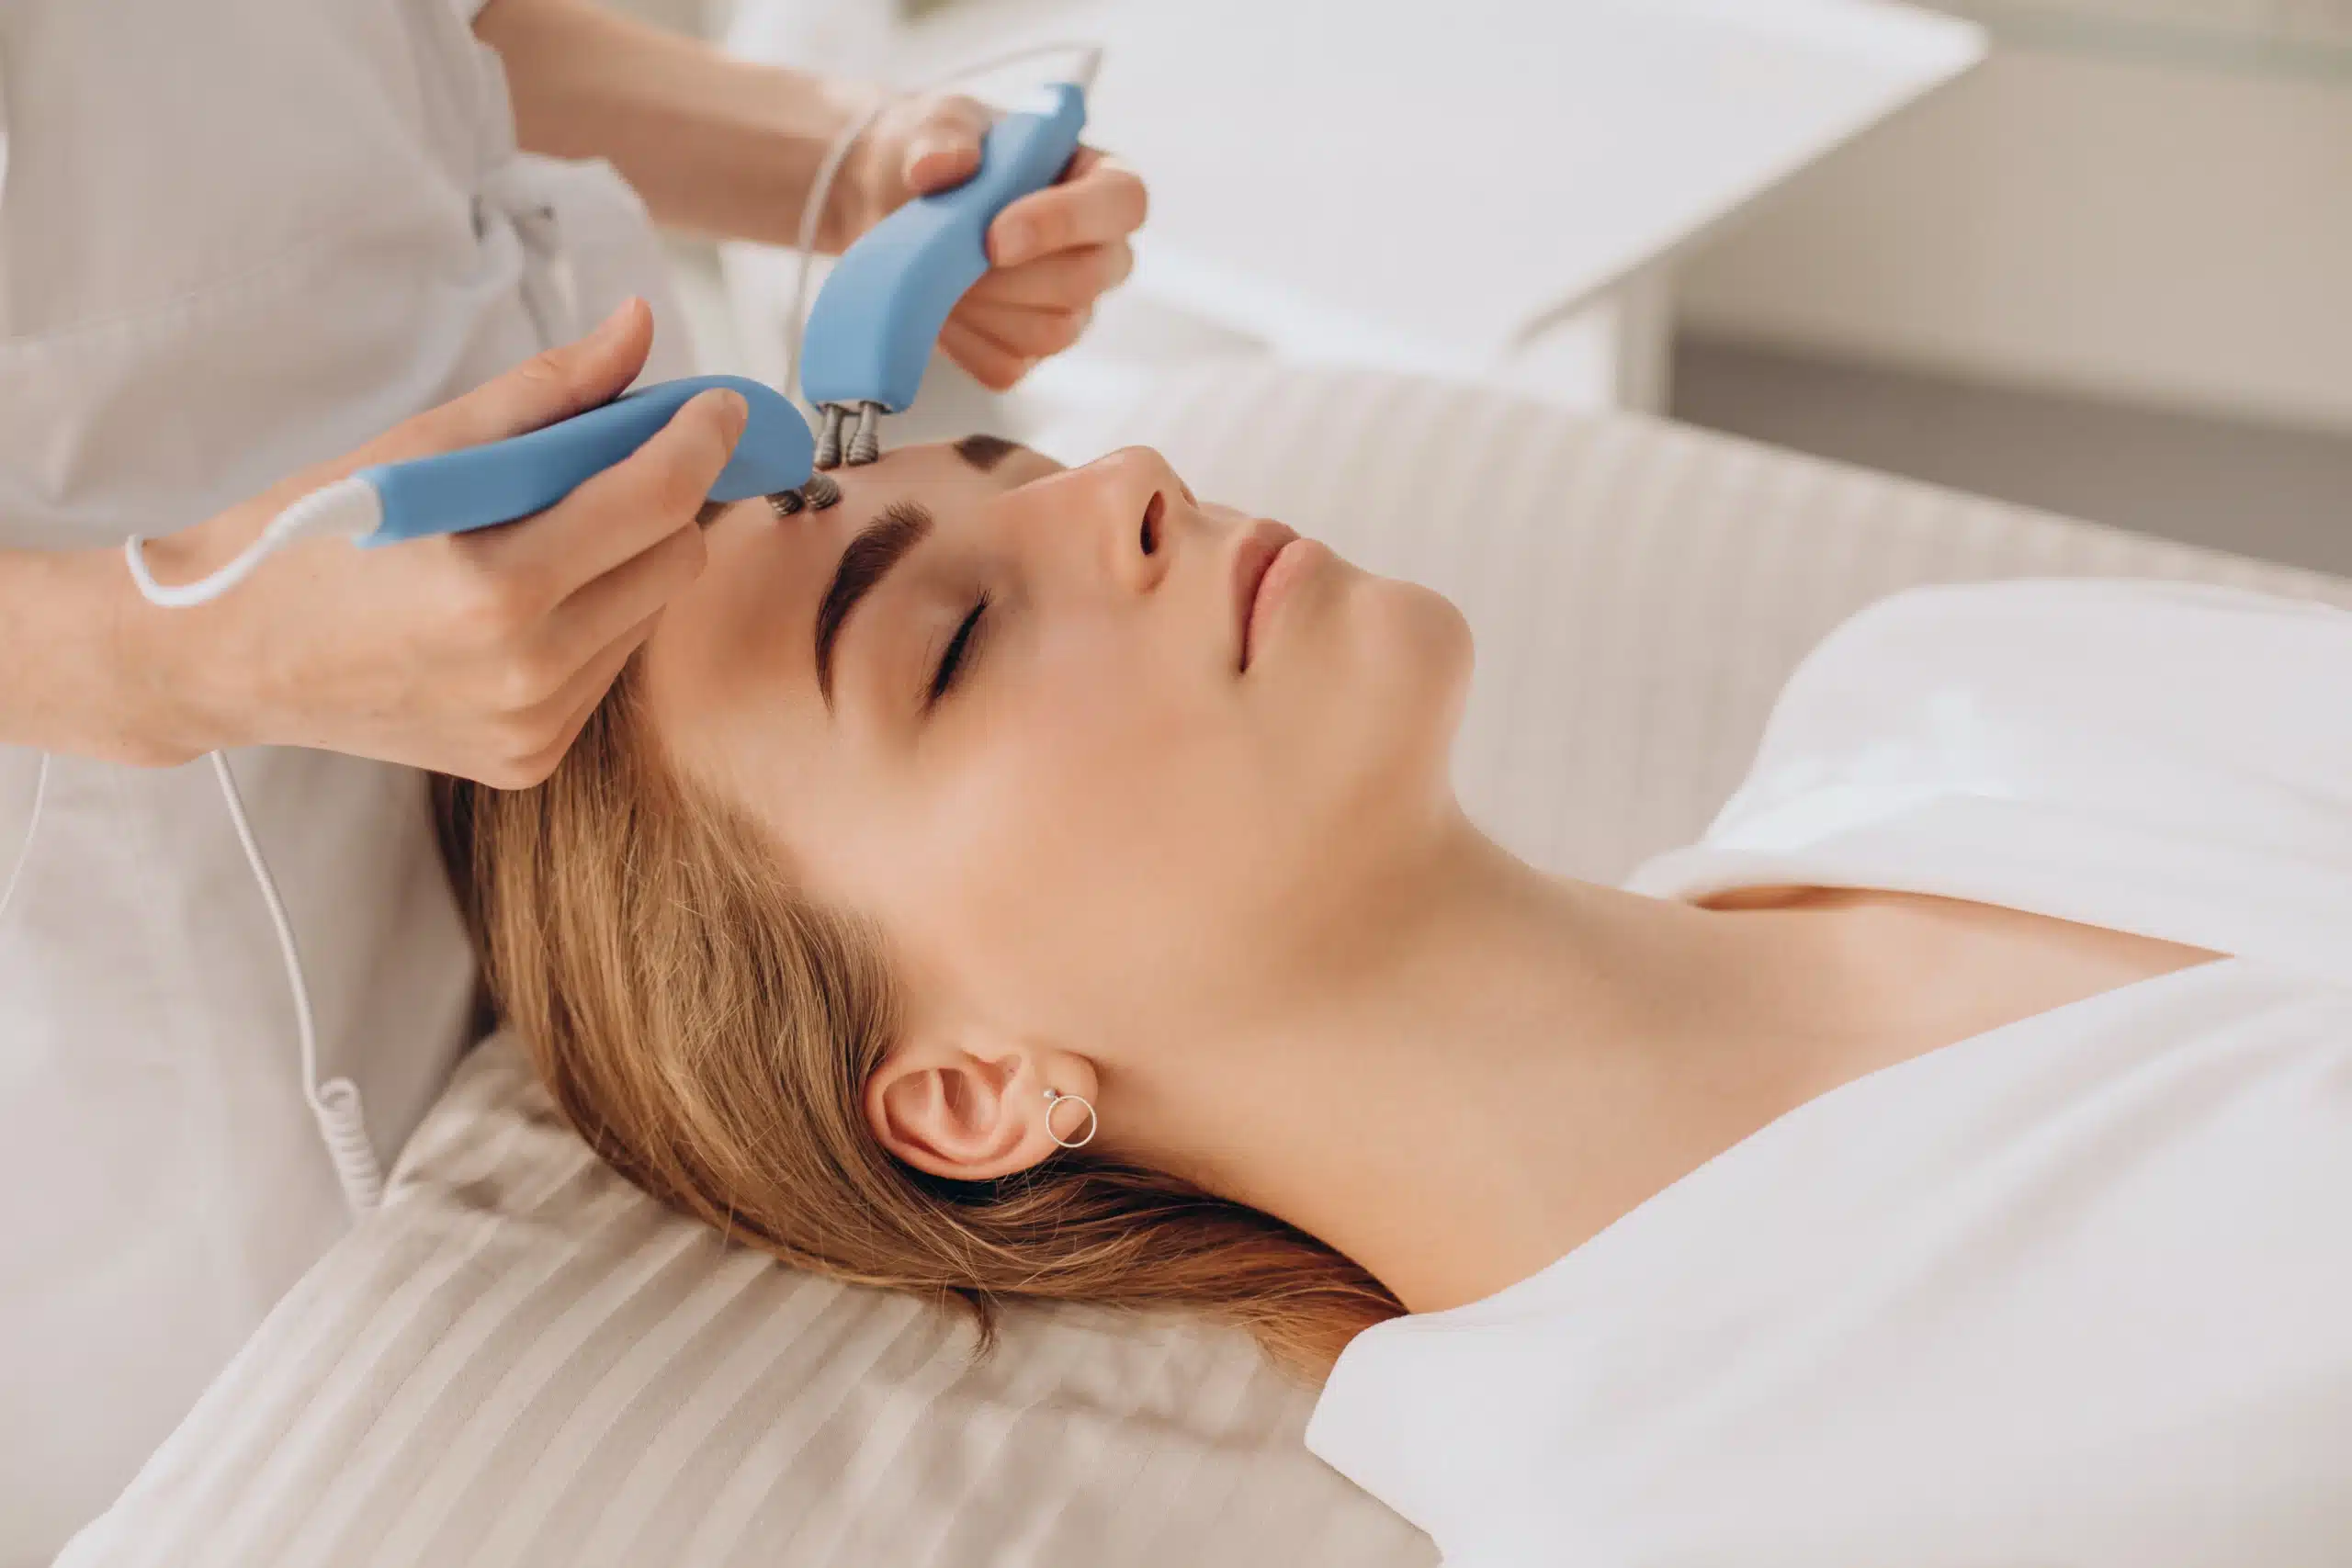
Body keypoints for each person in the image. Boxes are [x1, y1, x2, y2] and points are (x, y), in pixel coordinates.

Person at [439, 436, 2352, 1564]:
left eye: (1012, 462)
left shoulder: (1942, 695)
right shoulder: (1691, 1489)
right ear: (967, 1095)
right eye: (949, 640)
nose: (1125, 481)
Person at [0, 0, 1145, 1554]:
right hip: (163, 966)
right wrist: (175, 653)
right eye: (945, 649)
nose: (1141, 482)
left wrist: (842, 159)